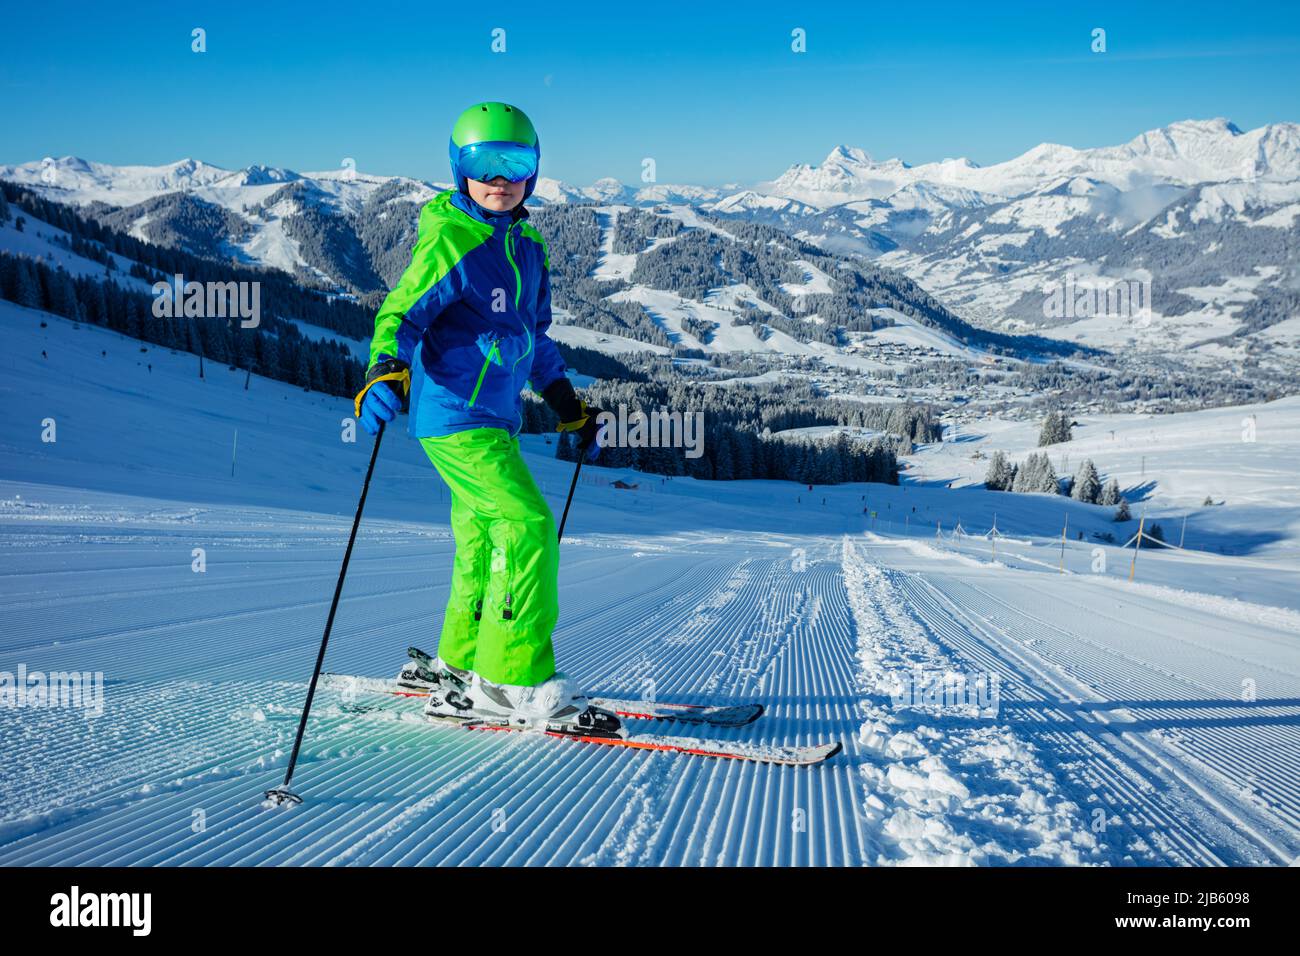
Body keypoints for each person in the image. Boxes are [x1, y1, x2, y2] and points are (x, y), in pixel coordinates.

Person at [353, 101, 614, 733]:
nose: (500, 180)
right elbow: (401, 313)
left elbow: (533, 338)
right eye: (483, 164)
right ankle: (509, 680)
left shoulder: (526, 245)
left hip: (495, 419)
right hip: (454, 417)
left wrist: (568, 408)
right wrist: (384, 368)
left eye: (515, 163)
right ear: (458, 168)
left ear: (534, 171)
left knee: (482, 541)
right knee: (526, 525)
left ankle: (459, 662)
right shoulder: (452, 239)